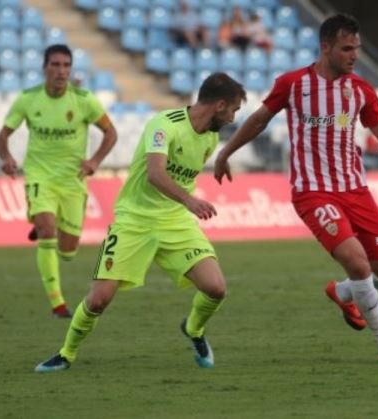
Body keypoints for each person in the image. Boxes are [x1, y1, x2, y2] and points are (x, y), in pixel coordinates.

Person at [213, 14, 378, 364]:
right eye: (346, 49)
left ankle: (342, 292)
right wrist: (226, 153)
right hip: (313, 192)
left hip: (356, 190)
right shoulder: (293, 84)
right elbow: (258, 120)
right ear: (325, 47)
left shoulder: (360, 90)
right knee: (358, 264)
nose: (354, 56)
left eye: (356, 48)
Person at [34, 72, 246, 372]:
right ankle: (66, 354)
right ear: (220, 105)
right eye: (234, 110)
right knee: (98, 300)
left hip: (174, 221)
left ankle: (194, 330)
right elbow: (155, 173)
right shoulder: (164, 125)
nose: (233, 118)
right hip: (134, 219)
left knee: (216, 288)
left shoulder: (210, 138)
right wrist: (189, 201)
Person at [0, 44, 118, 318]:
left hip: (73, 181)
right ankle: (58, 303)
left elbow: (111, 133)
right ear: (44, 68)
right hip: (39, 175)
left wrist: (95, 161)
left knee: (68, 252)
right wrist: (6, 157)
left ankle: (41, 224)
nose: (61, 71)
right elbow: (2, 135)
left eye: (66, 65)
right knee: (48, 230)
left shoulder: (85, 100)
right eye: (55, 65)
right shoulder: (28, 99)